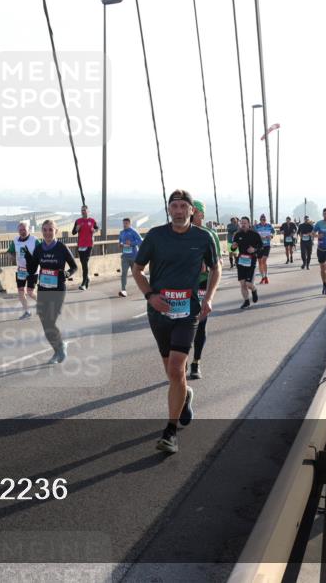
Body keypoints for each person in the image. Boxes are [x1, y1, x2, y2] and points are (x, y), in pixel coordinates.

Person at [133, 190, 220, 454]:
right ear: (169, 210)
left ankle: (170, 432)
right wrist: (150, 296)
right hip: (159, 312)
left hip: (188, 311)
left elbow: (216, 268)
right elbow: (137, 269)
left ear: (192, 210)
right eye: (175, 207)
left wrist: (208, 298)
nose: (179, 211)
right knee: (173, 374)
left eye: (184, 206)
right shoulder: (156, 236)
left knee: (176, 368)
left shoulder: (203, 237)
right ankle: (186, 394)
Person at [25, 220, 78, 364]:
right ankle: (58, 350)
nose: (47, 232)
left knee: (51, 321)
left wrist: (67, 274)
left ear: (56, 231)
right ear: (42, 231)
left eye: (50, 229)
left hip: (58, 289)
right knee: (45, 323)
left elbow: (74, 267)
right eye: (45, 230)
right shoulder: (39, 248)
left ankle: (60, 347)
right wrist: (30, 285)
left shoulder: (61, 247)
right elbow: (32, 270)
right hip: (43, 289)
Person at [188, 200, 221, 380]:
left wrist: (206, 266)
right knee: (182, 324)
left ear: (201, 214)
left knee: (200, 324)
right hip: (184, 285)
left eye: (195, 211)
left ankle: (196, 362)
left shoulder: (210, 235)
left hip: (202, 284)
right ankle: (182, 357)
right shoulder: (179, 233)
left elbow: (219, 264)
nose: (192, 215)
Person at [7, 222, 39, 319]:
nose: (22, 232)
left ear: (28, 230)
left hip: (32, 270)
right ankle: (27, 311)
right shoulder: (16, 240)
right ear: (18, 231)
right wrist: (10, 257)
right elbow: (9, 251)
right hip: (21, 270)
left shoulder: (34, 240)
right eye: (20, 230)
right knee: (21, 291)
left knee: (30, 292)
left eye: (24, 229)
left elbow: (41, 252)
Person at [231, 216, 262, 309]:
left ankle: (254, 289)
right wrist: (233, 246)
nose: (243, 224)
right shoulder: (237, 235)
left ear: (249, 224)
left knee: (249, 284)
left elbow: (261, 247)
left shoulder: (255, 234)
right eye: (242, 223)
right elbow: (233, 248)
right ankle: (246, 301)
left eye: (245, 223)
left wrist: (254, 250)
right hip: (241, 261)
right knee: (242, 283)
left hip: (251, 261)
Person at [72, 206, 98, 290]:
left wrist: (94, 230)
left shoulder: (92, 221)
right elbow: (73, 232)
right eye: (82, 210)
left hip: (89, 244)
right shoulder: (78, 221)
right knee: (83, 263)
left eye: (84, 210)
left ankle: (83, 283)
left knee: (85, 262)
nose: (83, 212)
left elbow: (97, 228)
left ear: (88, 211)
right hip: (80, 245)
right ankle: (87, 278)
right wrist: (77, 229)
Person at [118, 217, 143, 297]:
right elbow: (120, 241)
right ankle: (123, 290)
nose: (124, 225)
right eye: (123, 224)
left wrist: (131, 243)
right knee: (124, 273)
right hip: (125, 256)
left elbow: (140, 241)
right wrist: (120, 244)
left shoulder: (133, 232)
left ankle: (145, 287)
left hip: (134, 256)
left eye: (126, 224)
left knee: (137, 273)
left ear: (129, 224)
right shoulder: (121, 232)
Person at [254, 214, 274, 283]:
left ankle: (266, 276)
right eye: (262, 220)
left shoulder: (269, 226)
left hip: (267, 245)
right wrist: (258, 237)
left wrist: (271, 236)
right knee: (259, 262)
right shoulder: (256, 226)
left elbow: (273, 233)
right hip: (259, 246)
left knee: (264, 260)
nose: (263, 221)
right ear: (260, 220)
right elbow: (253, 235)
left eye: (264, 220)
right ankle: (262, 277)